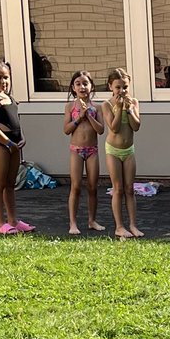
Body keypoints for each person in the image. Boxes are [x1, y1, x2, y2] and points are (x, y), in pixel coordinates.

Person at [0, 60, 34, 235]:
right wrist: (7, 143)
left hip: (14, 145)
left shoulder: (10, 98)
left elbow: (17, 121)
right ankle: (0, 223)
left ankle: (13, 220)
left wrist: (22, 138)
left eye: (6, 77)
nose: (3, 81)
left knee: (11, 184)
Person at [101, 67, 143, 238]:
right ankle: (119, 226)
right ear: (110, 87)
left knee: (129, 189)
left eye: (125, 87)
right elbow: (114, 128)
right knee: (118, 189)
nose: (122, 91)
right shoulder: (107, 105)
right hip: (113, 150)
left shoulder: (133, 102)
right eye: (118, 87)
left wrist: (130, 109)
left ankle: (133, 225)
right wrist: (119, 109)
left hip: (128, 150)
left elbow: (136, 126)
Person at [64, 70, 105, 235]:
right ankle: (73, 223)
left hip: (92, 150)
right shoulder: (70, 106)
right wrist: (79, 117)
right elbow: (66, 130)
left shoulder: (97, 107)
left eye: (85, 83)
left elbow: (100, 130)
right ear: (73, 88)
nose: (82, 87)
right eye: (78, 84)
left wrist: (89, 116)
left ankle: (92, 220)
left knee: (93, 187)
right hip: (76, 150)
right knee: (75, 186)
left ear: (91, 86)